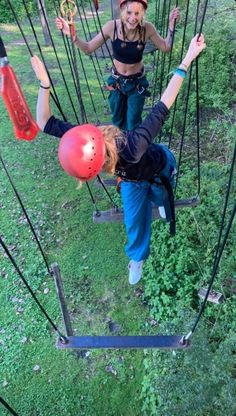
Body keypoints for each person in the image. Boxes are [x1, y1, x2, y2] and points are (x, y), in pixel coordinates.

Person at [31, 33, 206, 285]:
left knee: (161, 198)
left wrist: (188, 57)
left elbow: (163, 105)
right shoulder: (87, 142)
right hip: (133, 180)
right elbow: (44, 122)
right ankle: (138, 258)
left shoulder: (124, 145)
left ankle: (162, 203)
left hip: (161, 167)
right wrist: (45, 84)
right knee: (134, 220)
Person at [56, 0, 180, 131]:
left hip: (137, 83)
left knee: (133, 124)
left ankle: (132, 150)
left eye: (137, 13)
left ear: (142, 13)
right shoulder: (112, 27)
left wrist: (171, 28)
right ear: (122, 11)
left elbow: (166, 47)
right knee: (117, 122)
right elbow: (88, 48)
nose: (133, 18)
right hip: (116, 83)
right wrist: (73, 36)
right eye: (129, 12)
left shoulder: (147, 29)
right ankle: (118, 149)